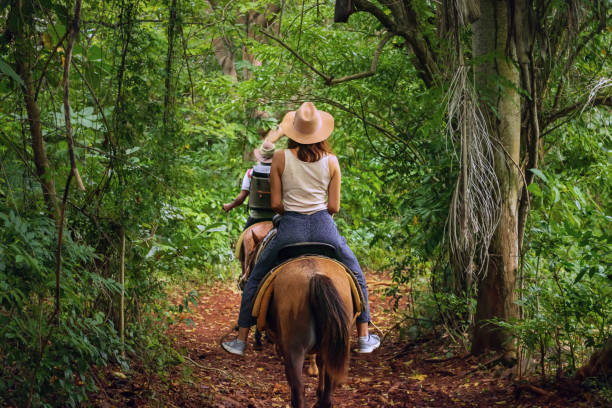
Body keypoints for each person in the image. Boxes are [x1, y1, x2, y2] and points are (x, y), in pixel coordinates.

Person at [222, 102, 380, 356]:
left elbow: (275, 204)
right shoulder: (332, 161)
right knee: (356, 273)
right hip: (324, 228)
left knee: (255, 277)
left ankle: (240, 339)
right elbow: (334, 206)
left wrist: (292, 213)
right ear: (320, 132)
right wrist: (316, 216)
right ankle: (363, 336)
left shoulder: (281, 158)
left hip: (290, 230)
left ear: (294, 133)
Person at [223, 141, 277, 229]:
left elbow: (241, 198)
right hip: (275, 217)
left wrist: (230, 206)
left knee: (241, 241)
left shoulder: (250, 173)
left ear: (260, 155)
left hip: (256, 217)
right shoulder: (280, 173)